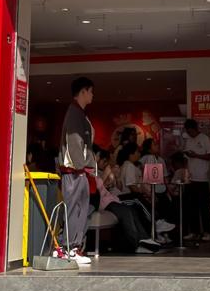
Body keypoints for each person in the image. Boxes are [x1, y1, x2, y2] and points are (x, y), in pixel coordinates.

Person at [58, 77, 96, 265]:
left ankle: (73, 248)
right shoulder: (74, 113)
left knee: (81, 209)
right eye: (90, 91)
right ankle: (68, 248)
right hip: (74, 171)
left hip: (79, 171)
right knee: (74, 208)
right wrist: (81, 168)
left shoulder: (78, 113)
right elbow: (74, 142)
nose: (92, 95)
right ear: (82, 92)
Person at [95, 150, 162, 254]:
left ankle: (144, 238)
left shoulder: (98, 171)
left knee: (131, 210)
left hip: (112, 199)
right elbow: (96, 189)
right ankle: (137, 242)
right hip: (104, 202)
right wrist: (106, 174)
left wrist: (114, 178)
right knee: (129, 206)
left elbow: (115, 187)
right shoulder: (90, 172)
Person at [181, 119, 210, 243]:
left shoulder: (204, 138)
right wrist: (185, 171)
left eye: (190, 131)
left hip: (202, 179)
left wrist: (196, 155)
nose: (189, 133)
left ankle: (208, 232)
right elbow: (185, 158)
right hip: (191, 179)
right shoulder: (188, 140)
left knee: (204, 207)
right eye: (187, 131)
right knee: (192, 207)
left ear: (195, 128)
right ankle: (194, 232)